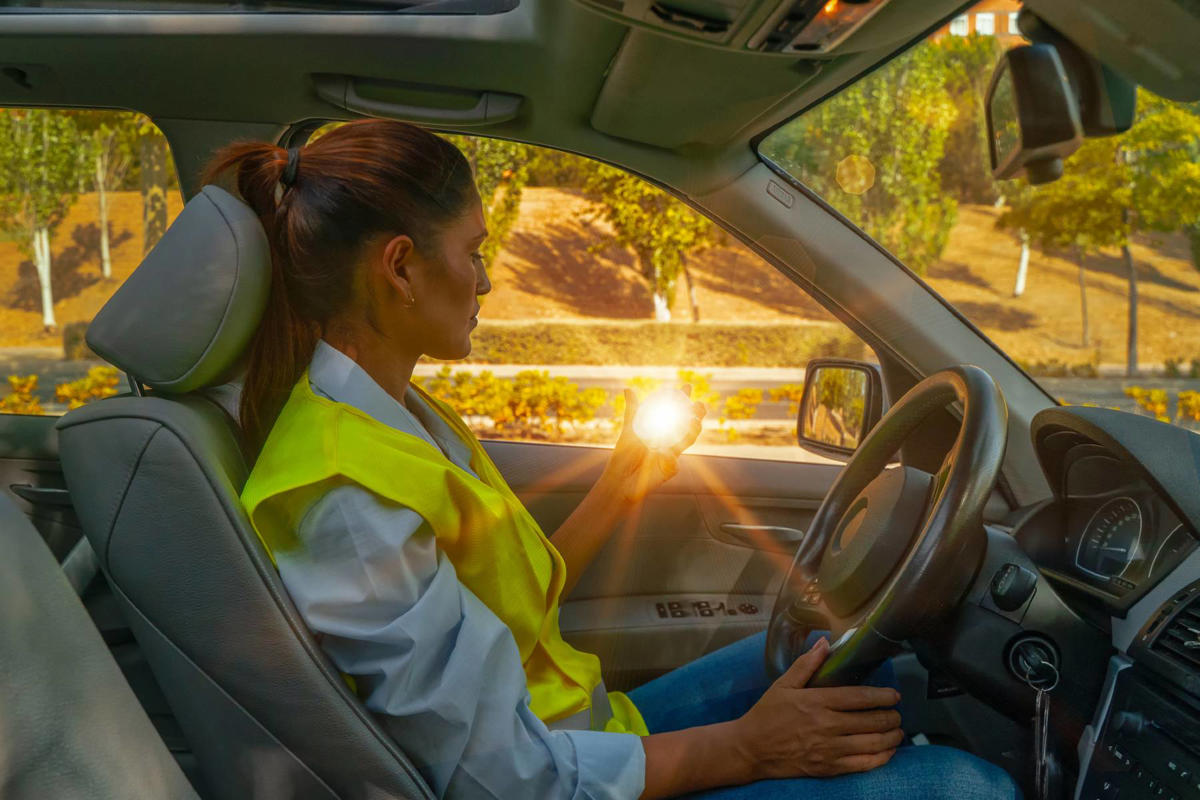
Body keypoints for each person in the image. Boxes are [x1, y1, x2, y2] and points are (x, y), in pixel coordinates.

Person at [217, 119, 1019, 799]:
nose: (486, 280)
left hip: (584, 736)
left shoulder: (396, 416)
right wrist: (749, 751)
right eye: (473, 251)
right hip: (557, 775)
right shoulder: (347, 498)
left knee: (859, 664)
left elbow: (502, 611)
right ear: (399, 268)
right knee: (964, 788)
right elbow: (501, 780)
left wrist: (616, 490)